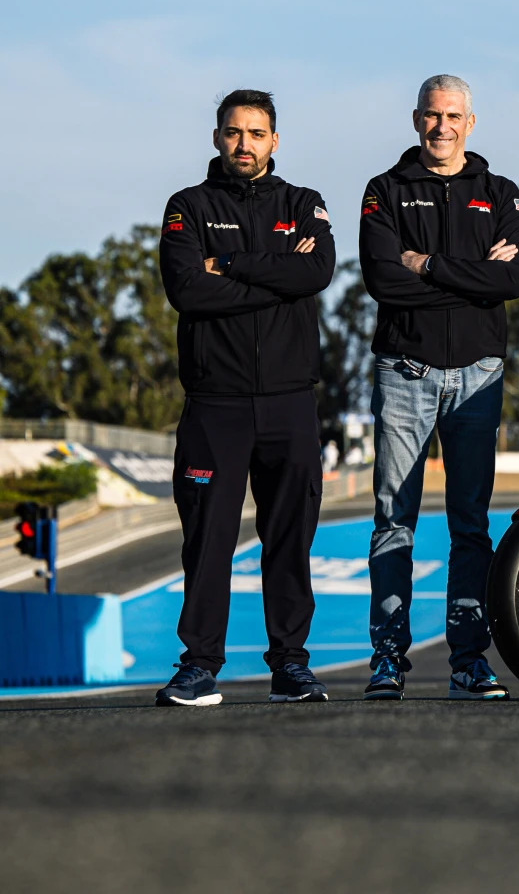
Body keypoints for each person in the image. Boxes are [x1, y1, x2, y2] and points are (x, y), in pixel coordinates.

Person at [155, 89, 335, 706]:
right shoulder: (187, 206)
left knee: (291, 537)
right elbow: (187, 291)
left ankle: (291, 666)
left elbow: (315, 274)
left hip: (290, 403)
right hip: (216, 404)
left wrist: (227, 264)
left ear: (274, 142)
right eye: (233, 133)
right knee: (208, 541)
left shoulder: (303, 204)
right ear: (216, 138)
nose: (244, 144)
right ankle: (199, 665)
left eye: (256, 134)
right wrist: (273, 273)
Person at [359, 74, 519, 701]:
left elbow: (511, 283)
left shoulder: (502, 192)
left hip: (478, 375)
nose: (442, 127)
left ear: (471, 122)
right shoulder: (386, 190)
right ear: (415, 119)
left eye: (454, 116)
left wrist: (425, 263)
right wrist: (475, 274)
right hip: (405, 369)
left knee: (470, 525)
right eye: (433, 115)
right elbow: (383, 279)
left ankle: (468, 660)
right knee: (392, 520)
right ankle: (387, 657)